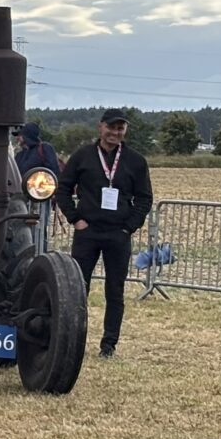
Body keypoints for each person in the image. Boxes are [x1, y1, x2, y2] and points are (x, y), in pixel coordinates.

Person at [54, 109, 154, 357]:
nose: (115, 133)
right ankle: (74, 340)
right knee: (78, 288)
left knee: (115, 291)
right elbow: (63, 188)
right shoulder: (83, 156)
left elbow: (144, 198)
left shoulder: (135, 161)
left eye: (120, 128)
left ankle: (109, 345)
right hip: (87, 231)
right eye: (111, 127)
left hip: (118, 234)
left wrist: (129, 226)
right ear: (100, 127)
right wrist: (75, 219)